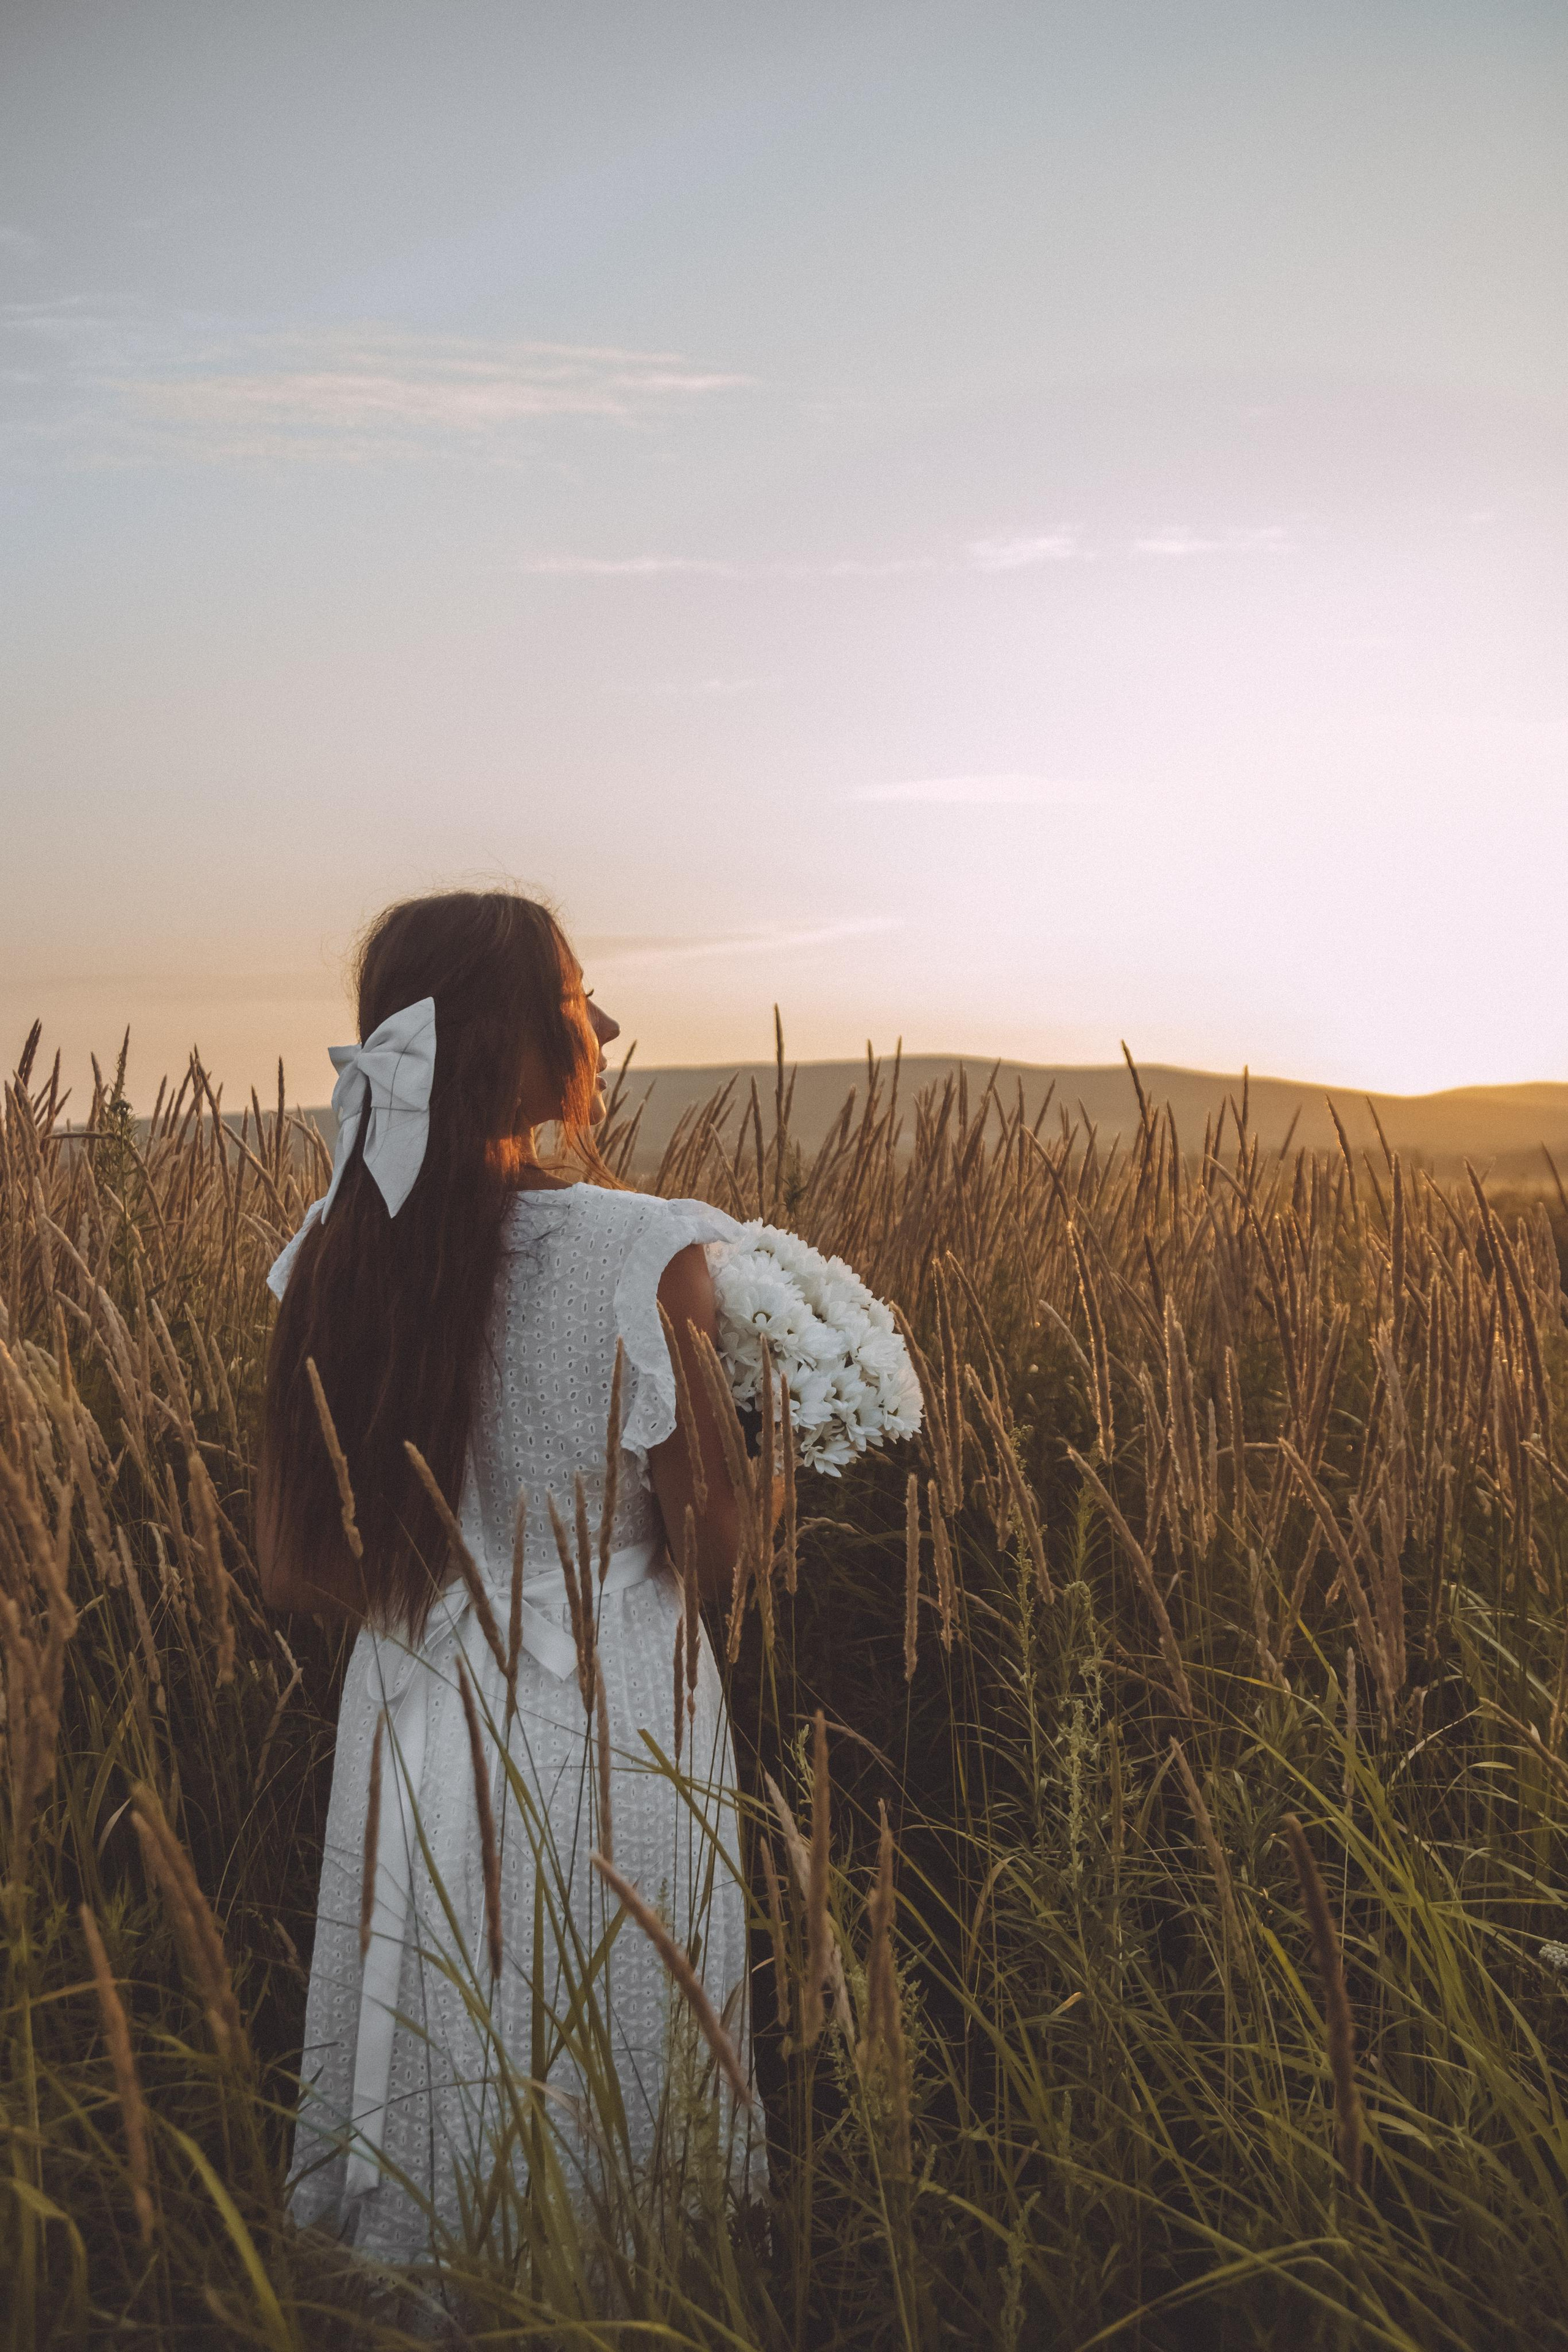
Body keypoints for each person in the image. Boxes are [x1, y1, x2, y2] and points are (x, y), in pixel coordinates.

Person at [258, 888, 754, 2270]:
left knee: (429, 2025)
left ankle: (425, 2270)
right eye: (575, 998)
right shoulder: (640, 1254)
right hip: (610, 1714)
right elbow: (711, 1545)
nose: (599, 1027)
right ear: (510, 1046)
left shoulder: (332, 1258)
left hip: (410, 1709)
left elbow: (344, 1533)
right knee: (620, 2029)